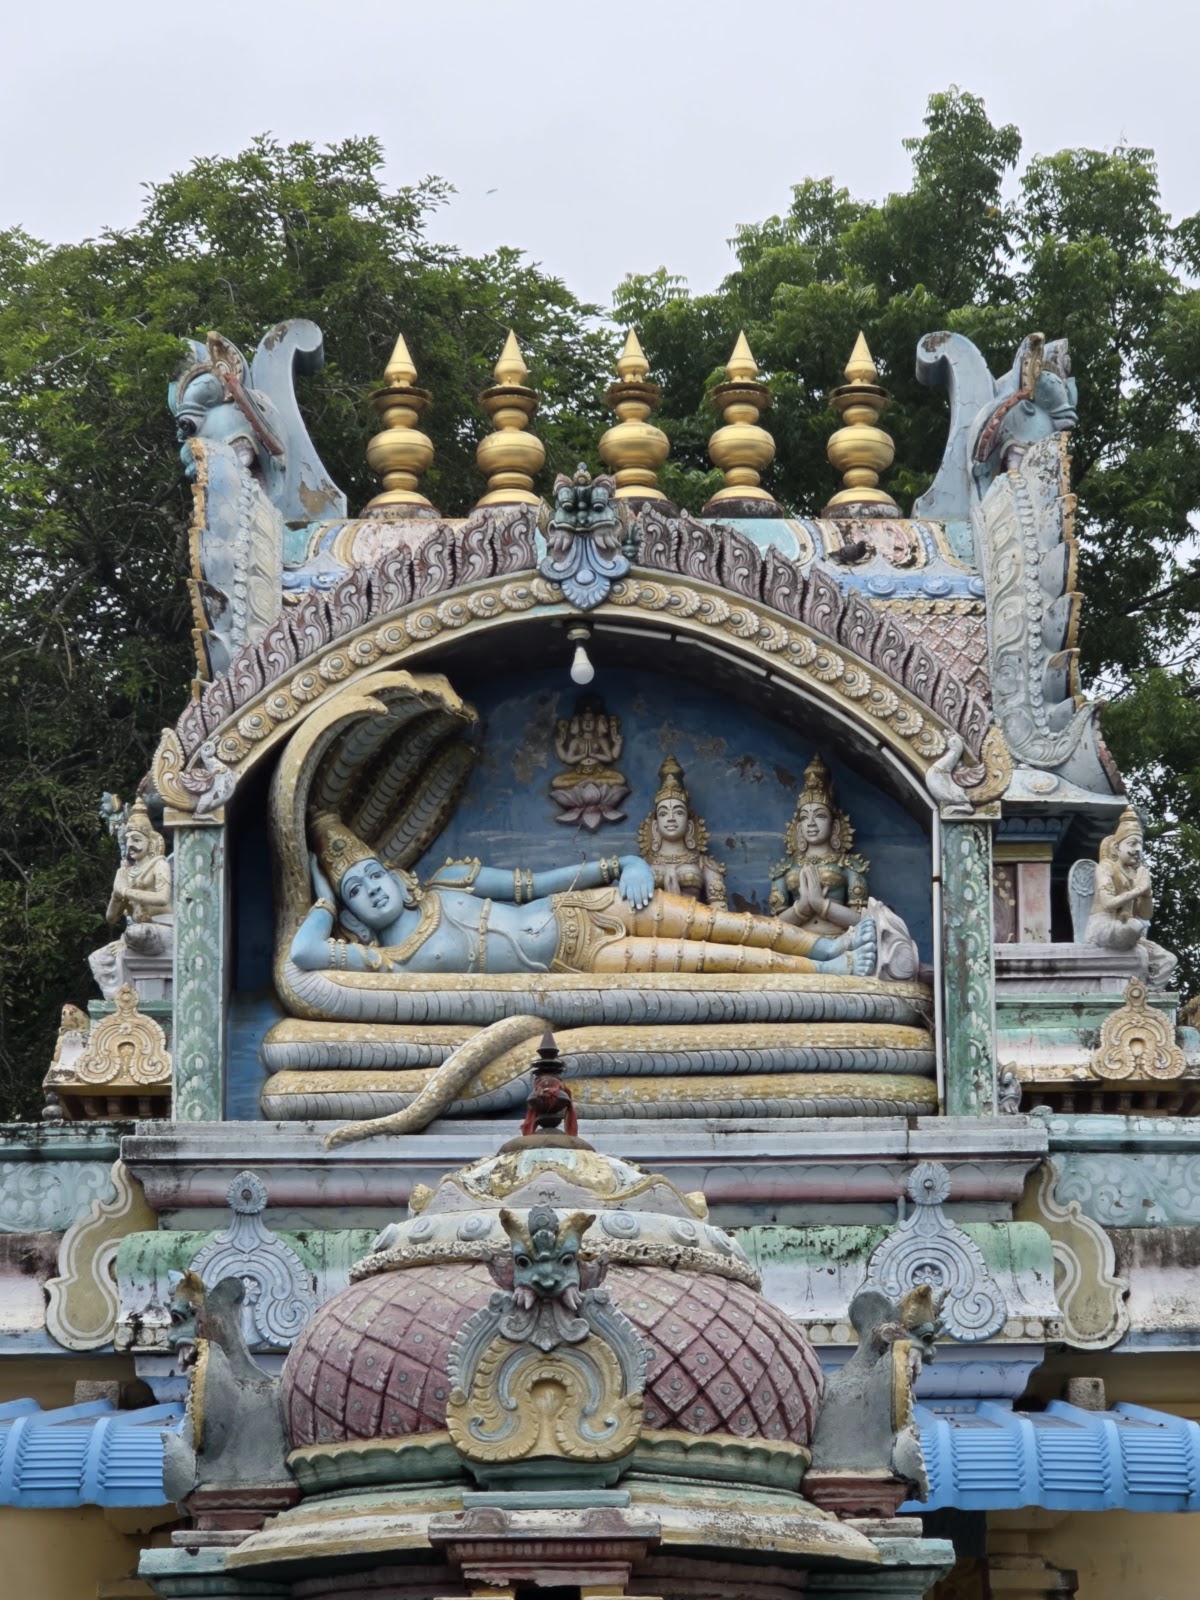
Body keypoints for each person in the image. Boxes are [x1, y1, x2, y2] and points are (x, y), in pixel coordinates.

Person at [290, 810, 877, 979]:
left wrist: (621, 862)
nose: (370, 891)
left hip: (588, 908)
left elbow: (541, 885)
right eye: (354, 892)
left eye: (372, 875)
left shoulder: (449, 881)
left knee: (723, 924)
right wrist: (322, 900)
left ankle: (824, 949)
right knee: (707, 962)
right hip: (580, 961)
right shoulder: (388, 960)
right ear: (352, 914)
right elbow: (305, 954)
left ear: (395, 873)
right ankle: (826, 976)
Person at [1085, 808, 1177, 988]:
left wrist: (1147, 893)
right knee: (1135, 926)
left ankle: (1145, 996)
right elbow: (1108, 903)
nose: (1138, 849)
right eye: (1132, 844)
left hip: (1128, 930)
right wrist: (1138, 890)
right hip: (1104, 927)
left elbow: (1146, 914)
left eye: (1140, 844)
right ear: (1116, 847)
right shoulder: (1105, 867)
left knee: (1169, 959)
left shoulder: (1135, 874)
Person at [637, 757, 727, 908]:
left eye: (678, 813)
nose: (671, 819)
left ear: (689, 825)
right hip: (652, 928)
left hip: (697, 926)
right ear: (655, 826)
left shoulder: (705, 865)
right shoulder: (642, 865)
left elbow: (721, 911)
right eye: (664, 814)